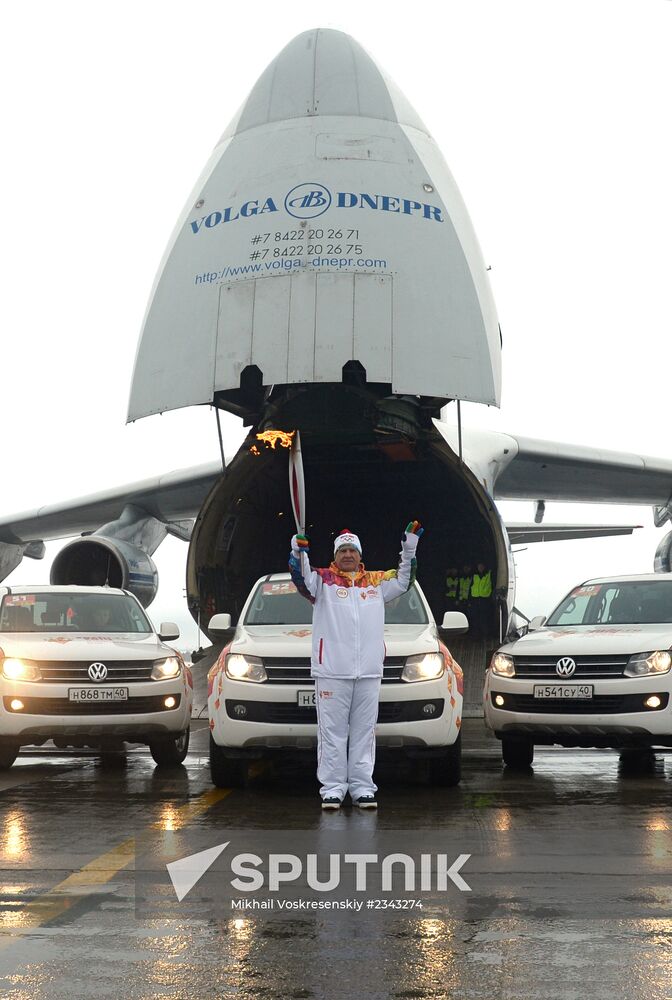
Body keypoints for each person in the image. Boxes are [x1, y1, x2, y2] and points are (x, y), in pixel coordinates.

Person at [289, 522, 423, 810]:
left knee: (364, 732)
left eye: (352, 550)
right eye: (343, 550)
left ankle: (362, 787)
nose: (348, 555)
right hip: (332, 671)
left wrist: (409, 548)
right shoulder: (321, 581)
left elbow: (404, 580)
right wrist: (299, 551)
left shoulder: (376, 582)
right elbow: (301, 577)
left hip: (369, 671)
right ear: (335, 556)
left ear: (360, 555)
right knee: (332, 732)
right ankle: (333, 788)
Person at [470, 561, 493, 636]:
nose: (480, 568)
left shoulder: (489, 574)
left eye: (482, 566)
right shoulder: (474, 575)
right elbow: (471, 587)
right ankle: (476, 634)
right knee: (475, 618)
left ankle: (485, 635)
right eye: (479, 566)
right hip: (475, 599)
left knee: (484, 618)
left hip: (485, 599)